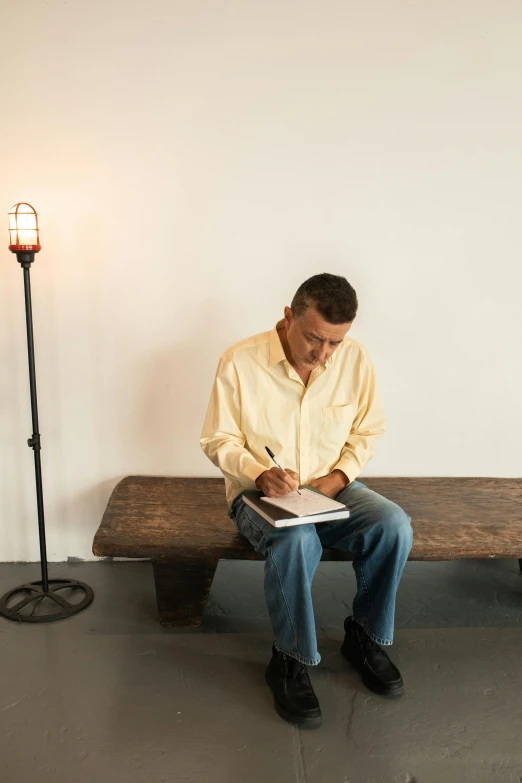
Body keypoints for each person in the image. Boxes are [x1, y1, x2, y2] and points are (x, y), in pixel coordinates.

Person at [200, 273, 412, 729]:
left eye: (334, 344)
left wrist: (337, 479)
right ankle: (289, 657)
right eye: (314, 338)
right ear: (288, 316)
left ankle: (365, 636)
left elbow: (367, 431)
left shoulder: (356, 361)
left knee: (393, 525)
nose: (323, 355)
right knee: (297, 541)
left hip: (333, 488)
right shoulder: (239, 361)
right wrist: (259, 472)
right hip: (258, 493)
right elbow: (216, 438)